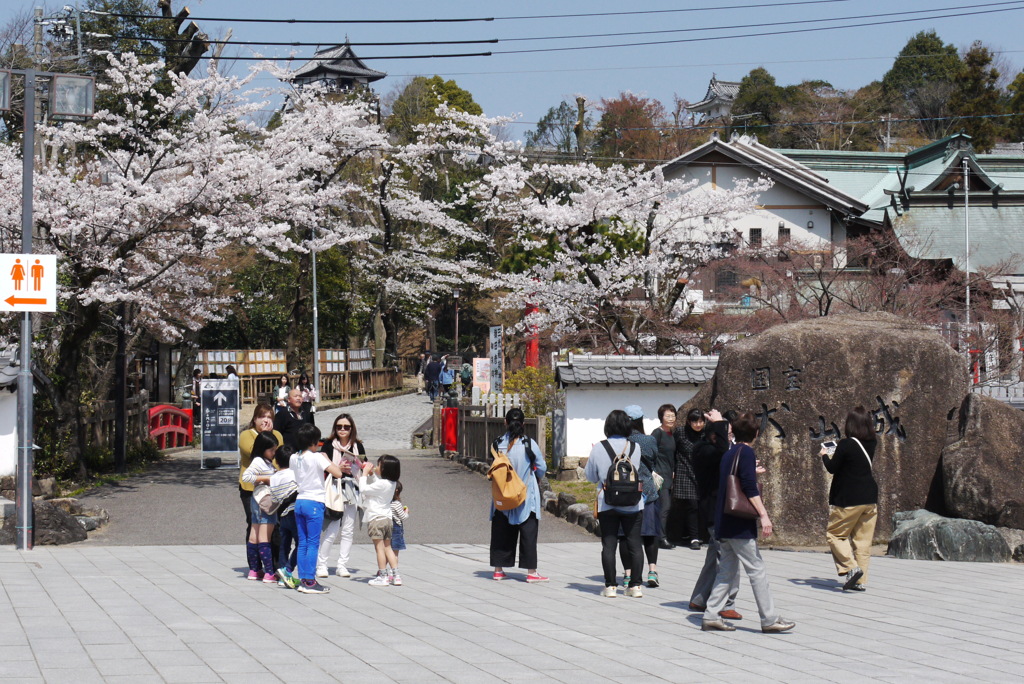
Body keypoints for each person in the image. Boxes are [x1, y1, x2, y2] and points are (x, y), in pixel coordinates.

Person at [701, 411, 795, 633]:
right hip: (739, 523)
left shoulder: (730, 453)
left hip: (723, 520)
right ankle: (769, 618)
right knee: (757, 569)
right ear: (756, 432)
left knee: (726, 571)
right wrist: (764, 515)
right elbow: (750, 489)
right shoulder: (747, 453)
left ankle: (711, 614)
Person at [585, 409, 645, 599]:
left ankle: (610, 586)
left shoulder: (599, 448)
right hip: (633, 503)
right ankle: (635, 586)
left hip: (608, 503)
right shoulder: (636, 447)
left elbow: (590, 476)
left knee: (608, 545)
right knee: (635, 544)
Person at [689, 410, 742, 620]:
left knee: (714, 556)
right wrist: (720, 423)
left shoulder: (716, 448)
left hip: (722, 507)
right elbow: (721, 453)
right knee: (728, 557)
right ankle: (726, 603)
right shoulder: (703, 449)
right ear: (713, 434)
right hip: (715, 509)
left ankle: (700, 598)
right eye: (726, 433)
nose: (729, 438)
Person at [821, 406, 879, 592]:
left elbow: (832, 467)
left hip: (848, 499)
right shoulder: (872, 443)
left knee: (835, 535)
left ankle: (850, 568)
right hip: (869, 498)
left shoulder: (846, 445)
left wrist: (824, 455)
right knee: (863, 541)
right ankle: (861, 581)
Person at [489, 408, 549, 583]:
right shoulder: (529, 444)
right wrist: (535, 477)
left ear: (505, 423)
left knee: (500, 530)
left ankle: (498, 569)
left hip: (502, 494)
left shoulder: (497, 444)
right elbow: (542, 467)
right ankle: (531, 571)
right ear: (523, 424)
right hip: (525, 494)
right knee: (528, 531)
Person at [291, 423, 346, 594]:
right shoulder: (317, 457)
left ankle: (302, 579)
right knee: (313, 543)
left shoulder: (294, 457)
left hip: (300, 500)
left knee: (302, 543)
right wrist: (327, 459)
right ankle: (310, 581)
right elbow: (338, 473)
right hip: (315, 501)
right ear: (314, 442)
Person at [317, 413, 366, 578]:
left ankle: (342, 565)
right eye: (339, 427)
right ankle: (321, 564)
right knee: (332, 527)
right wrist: (338, 467)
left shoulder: (357, 446)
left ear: (352, 428)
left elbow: (363, 466)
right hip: (334, 488)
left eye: (346, 427)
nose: (342, 430)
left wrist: (360, 467)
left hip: (352, 487)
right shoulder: (329, 445)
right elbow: (323, 466)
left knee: (348, 529)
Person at [624, 405, 663, 589]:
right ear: (640, 420)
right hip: (647, 490)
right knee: (650, 533)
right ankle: (652, 571)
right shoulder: (649, 440)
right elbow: (654, 460)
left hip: (624, 492)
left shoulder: (621, 441)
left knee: (625, 535)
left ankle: (627, 574)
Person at [238, 405, 283, 545]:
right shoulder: (246, 435)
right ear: (255, 419)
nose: (265, 420)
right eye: (262, 417)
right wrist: (264, 436)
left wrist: (270, 435)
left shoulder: (278, 435)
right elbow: (256, 454)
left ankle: (275, 562)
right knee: (254, 522)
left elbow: (279, 459)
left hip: (273, 488)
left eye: (269, 417)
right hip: (250, 488)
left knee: (275, 524)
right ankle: (255, 563)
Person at [240, 432, 280, 583]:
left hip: (256, 500)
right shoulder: (259, 461)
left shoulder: (263, 461)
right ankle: (269, 572)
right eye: (272, 450)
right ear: (263, 448)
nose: (274, 453)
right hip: (265, 501)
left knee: (254, 536)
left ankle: (254, 570)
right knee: (264, 537)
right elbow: (246, 477)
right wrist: (268, 478)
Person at [360, 455, 403, 586]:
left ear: (385, 469)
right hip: (387, 519)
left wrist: (364, 474)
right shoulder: (391, 483)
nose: (376, 467)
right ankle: (396, 575)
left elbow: (363, 489)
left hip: (376, 518)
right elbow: (377, 484)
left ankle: (383, 576)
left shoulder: (382, 484)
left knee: (379, 549)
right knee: (388, 547)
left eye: (379, 466)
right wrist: (372, 475)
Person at [672, 408, 705, 550]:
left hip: (701, 473)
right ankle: (693, 538)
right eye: (695, 421)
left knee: (698, 505)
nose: (698, 424)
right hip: (684, 471)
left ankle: (693, 535)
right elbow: (672, 450)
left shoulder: (706, 434)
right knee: (690, 505)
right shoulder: (680, 432)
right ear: (688, 421)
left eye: (701, 421)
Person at [270, 445, 300, 589]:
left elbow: (274, 499)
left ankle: (283, 574)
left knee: (284, 546)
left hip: (281, 515)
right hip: (294, 513)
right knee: (301, 544)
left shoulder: (274, 477)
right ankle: (287, 569)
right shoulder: (294, 474)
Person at [651, 404, 677, 550]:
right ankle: (661, 538)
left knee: (664, 507)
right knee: (665, 506)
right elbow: (649, 452)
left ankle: (659, 535)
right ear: (661, 417)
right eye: (667, 416)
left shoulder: (671, 434)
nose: (671, 418)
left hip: (668, 475)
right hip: (659, 476)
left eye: (673, 416)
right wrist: (653, 471)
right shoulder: (658, 433)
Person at [390, 482, 408, 560]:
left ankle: (382, 569)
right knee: (395, 552)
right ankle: (393, 569)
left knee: (387, 550)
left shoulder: (387, 503)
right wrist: (406, 512)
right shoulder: (397, 504)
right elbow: (403, 517)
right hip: (396, 529)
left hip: (388, 526)